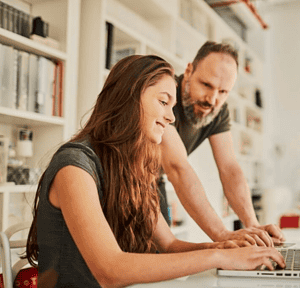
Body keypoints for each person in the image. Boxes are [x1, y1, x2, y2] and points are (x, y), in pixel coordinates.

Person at [25, 55, 285, 288]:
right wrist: (219, 256)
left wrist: (225, 246)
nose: (171, 118)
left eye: (172, 106)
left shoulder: (134, 168)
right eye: (163, 102)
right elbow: (110, 270)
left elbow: (169, 245)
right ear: (128, 97)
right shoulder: (75, 166)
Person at [159, 41, 285, 247]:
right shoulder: (165, 93)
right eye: (206, 85)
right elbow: (177, 167)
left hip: (153, 181)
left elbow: (229, 168)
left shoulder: (218, 111)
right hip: (115, 172)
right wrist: (222, 234)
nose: (212, 99)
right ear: (189, 71)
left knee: (159, 255)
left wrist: (252, 225)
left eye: (223, 92)